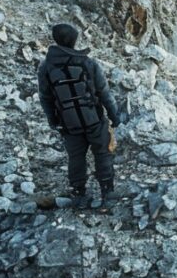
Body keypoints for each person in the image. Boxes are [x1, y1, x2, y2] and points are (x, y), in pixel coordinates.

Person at [37, 23, 123, 208]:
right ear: (74, 41)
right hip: (94, 119)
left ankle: (78, 193)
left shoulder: (46, 68)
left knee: (76, 157)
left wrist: (54, 121)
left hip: (69, 124)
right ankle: (107, 190)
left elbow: (46, 98)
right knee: (102, 152)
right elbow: (104, 93)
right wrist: (115, 116)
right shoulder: (88, 63)